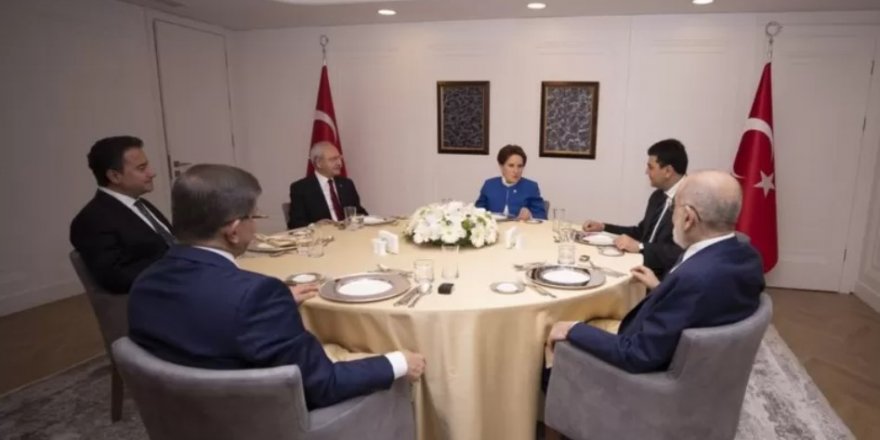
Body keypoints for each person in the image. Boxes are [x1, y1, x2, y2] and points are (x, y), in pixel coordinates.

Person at [128, 164, 425, 410]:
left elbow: (206, 313)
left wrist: (275, 304)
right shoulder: (256, 295)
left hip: (182, 417)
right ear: (234, 231)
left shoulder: (144, 282)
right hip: (258, 422)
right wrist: (398, 362)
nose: (256, 225)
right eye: (254, 216)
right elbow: (323, 385)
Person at [546, 170, 765, 375]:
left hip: (647, 380)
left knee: (552, 338)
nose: (672, 217)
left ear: (688, 218)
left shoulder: (693, 279)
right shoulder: (748, 257)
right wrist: (661, 288)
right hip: (706, 368)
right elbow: (700, 304)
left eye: (674, 209)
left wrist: (572, 329)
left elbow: (637, 354)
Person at [70, 136, 173, 294]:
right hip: (157, 292)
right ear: (114, 176)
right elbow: (115, 278)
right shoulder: (91, 220)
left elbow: (168, 242)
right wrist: (174, 261)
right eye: (141, 168)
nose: (152, 173)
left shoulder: (140, 204)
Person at [582, 139, 687, 279]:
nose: (646, 172)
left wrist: (641, 247)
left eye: (650, 167)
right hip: (642, 269)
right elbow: (642, 232)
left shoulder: (692, 201)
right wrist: (603, 227)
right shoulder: (658, 196)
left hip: (666, 279)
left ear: (668, 171)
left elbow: (683, 252)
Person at [287, 141, 368, 228]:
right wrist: (315, 226)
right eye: (333, 159)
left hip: (349, 232)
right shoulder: (301, 188)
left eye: (340, 158)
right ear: (319, 163)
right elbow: (295, 223)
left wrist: (364, 219)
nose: (339, 163)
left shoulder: (347, 184)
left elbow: (359, 212)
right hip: (322, 235)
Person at [475, 144, 547, 220]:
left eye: (520, 166)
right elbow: (477, 212)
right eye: (511, 165)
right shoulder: (489, 185)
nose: (516, 171)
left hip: (520, 227)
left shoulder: (531, 187)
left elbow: (542, 216)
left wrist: (530, 215)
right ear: (501, 166)